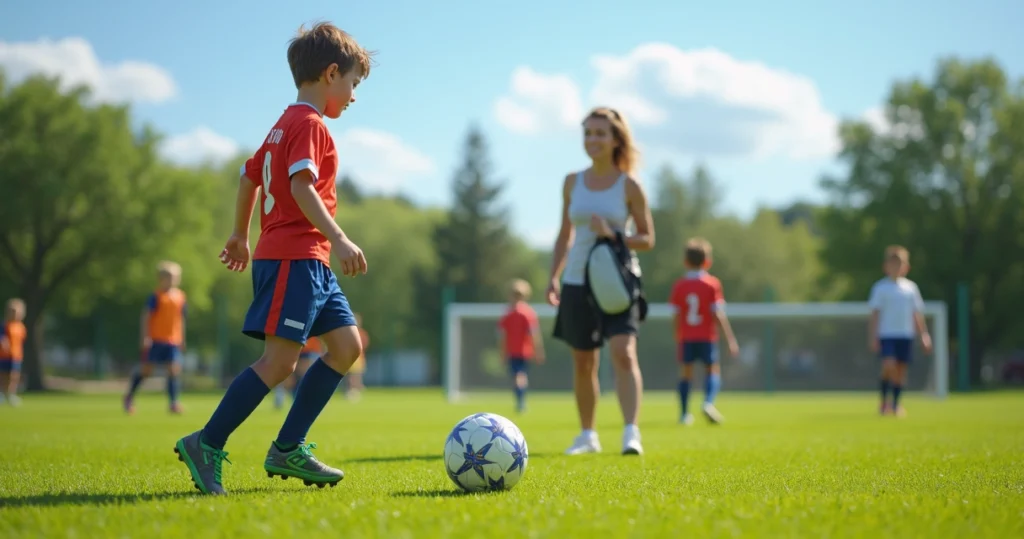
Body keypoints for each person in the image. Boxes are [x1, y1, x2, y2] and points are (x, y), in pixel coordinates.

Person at [172, 22, 375, 496]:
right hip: (293, 258)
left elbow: (249, 177)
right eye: (352, 83)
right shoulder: (308, 125)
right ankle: (207, 442)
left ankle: (288, 447)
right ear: (330, 74)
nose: (352, 96)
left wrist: (240, 235)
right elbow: (302, 185)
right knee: (280, 362)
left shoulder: (282, 122)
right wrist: (341, 237)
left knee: (347, 348)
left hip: (310, 262)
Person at [546, 107, 655, 456]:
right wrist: (553, 276)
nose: (593, 140)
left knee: (623, 354)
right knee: (583, 361)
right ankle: (587, 436)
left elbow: (648, 238)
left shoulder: (630, 185)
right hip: (578, 281)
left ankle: (630, 433)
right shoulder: (571, 181)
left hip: (618, 281)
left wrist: (613, 234)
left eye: (600, 133)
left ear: (615, 139)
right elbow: (564, 234)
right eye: (588, 133)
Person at [668, 238, 739, 425]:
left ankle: (684, 414)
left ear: (685, 261)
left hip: (687, 337)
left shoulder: (679, 286)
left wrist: (677, 334)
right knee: (712, 370)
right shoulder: (712, 284)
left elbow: (676, 315)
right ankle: (708, 402)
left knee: (685, 373)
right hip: (707, 336)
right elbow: (718, 315)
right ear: (707, 261)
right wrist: (730, 339)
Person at [868, 245, 932, 417]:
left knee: (901, 370)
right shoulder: (880, 288)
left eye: (900, 264)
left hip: (905, 335)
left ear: (906, 267)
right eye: (893, 263)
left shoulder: (911, 289)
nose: (896, 267)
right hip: (886, 334)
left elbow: (916, 314)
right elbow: (875, 314)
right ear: (886, 266)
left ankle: (896, 405)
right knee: (888, 365)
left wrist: (924, 335)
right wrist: (873, 336)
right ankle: (883, 403)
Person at [124, 261, 187, 414]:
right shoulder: (156, 296)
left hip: (173, 340)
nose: (174, 279)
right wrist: (145, 337)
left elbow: (182, 318)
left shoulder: (180, 296)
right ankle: (129, 397)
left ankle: (173, 403)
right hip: (156, 339)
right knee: (146, 371)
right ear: (161, 278)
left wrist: (182, 338)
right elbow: (146, 316)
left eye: (176, 276)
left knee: (173, 369)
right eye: (170, 276)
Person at [497, 279, 545, 413]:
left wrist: (502, 353)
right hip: (525, 351)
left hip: (513, 352)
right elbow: (535, 335)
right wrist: (539, 351)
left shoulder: (507, 313)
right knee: (521, 375)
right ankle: (521, 400)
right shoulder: (528, 313)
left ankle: (520, 401)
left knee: (518, 376)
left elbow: (502, 337)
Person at [273, 336, 321, 410]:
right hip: (292, 344)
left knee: (305, 374)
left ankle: (302, 401)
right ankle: (280, 393)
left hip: (308, 348)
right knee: (289, 377)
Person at [0, 298, 27, 407]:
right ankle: (2, 393)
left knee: (13, 376)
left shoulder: (20, 327)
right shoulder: (4, 325)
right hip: (3, 355)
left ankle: (10, 394)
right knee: (3, 375)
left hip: (16, 355)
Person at [344, 313, 369, 401]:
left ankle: (355, 390)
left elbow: (364, 345)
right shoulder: (349, 333)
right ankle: (350, 390)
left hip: (359, 357)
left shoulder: (361, 333)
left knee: (357, 375)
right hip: (351, 357)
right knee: (351, 375)